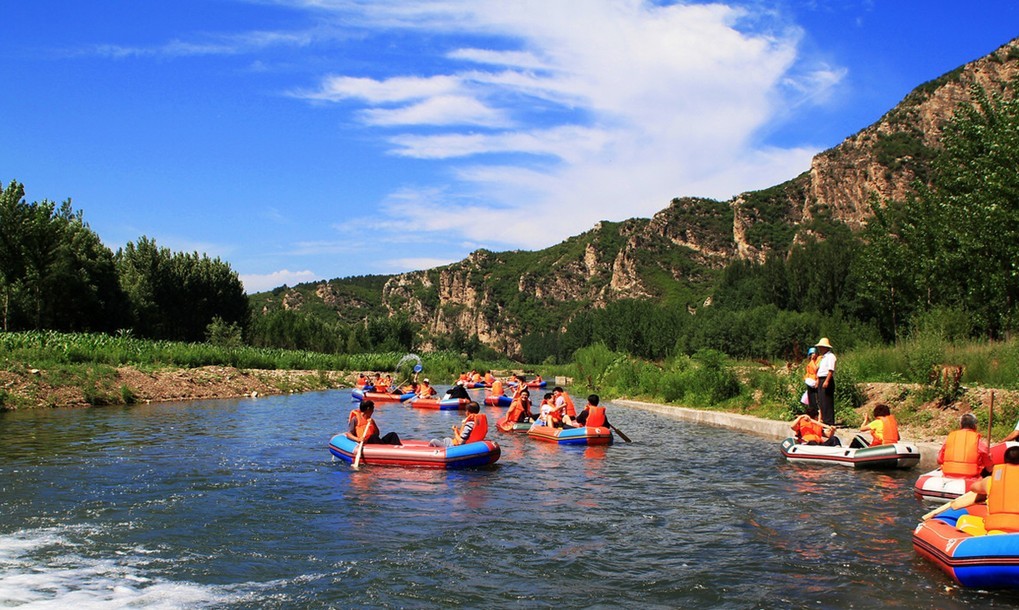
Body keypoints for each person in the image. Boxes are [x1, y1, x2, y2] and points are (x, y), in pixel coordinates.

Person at [955, 446, 1019, 535]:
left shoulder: (990, 481)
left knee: (963, 520)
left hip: (995, 530)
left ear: (1004, 462)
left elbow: (973, 488)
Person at [938, 413, 992, 478]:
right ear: (975, 426)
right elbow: (989, 467)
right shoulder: (978, 442)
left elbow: (939, 460)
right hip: (971, 477)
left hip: (948, 475)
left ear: (960, 425)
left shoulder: (949, 438)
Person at [814, 338, 836, 426]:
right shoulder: (823, 358)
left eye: (821, 347)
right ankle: (824, 418)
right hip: (821, 378)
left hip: (826, 379)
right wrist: (818, 380)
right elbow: (820, 370)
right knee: (821, 400)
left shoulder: (831, 356)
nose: (820, 349)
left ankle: (829, 420)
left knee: (827, 400)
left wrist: (827, 381)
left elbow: (831, 370)